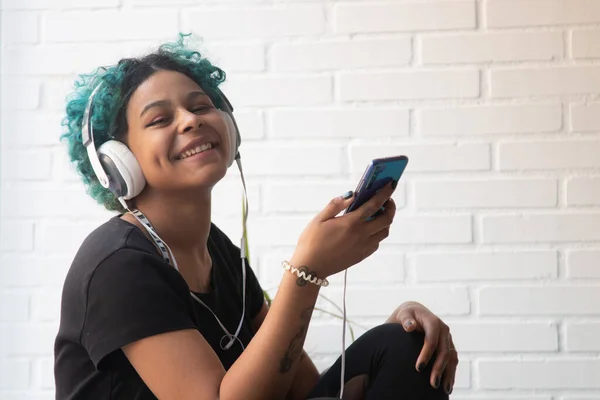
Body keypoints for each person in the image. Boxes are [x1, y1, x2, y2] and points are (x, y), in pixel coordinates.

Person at [53, 35, 458, 400]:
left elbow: (299, 388)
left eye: (201, 107)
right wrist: (306, 270)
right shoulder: (118, 267)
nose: (191, 120)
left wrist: (392, 344)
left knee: (405, 347)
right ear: (116, 163)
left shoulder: (218, 252)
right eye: (160, 119)